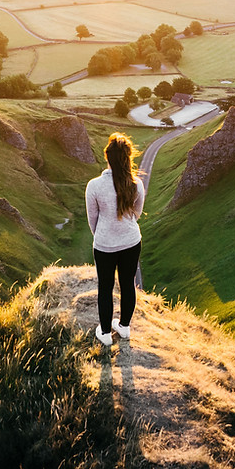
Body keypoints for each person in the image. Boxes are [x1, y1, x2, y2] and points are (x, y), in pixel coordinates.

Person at [86, 132, 145, 347]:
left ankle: (104, 333)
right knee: (128, 283)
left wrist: (102, 235)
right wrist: (123, 228)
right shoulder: (136, 183)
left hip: (104, 245)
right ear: (127, 158)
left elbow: (92, 219)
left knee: (105, 287)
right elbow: (137, 213)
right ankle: (125, 327)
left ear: (107, 158)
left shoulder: (94, 186)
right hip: (131, 241)